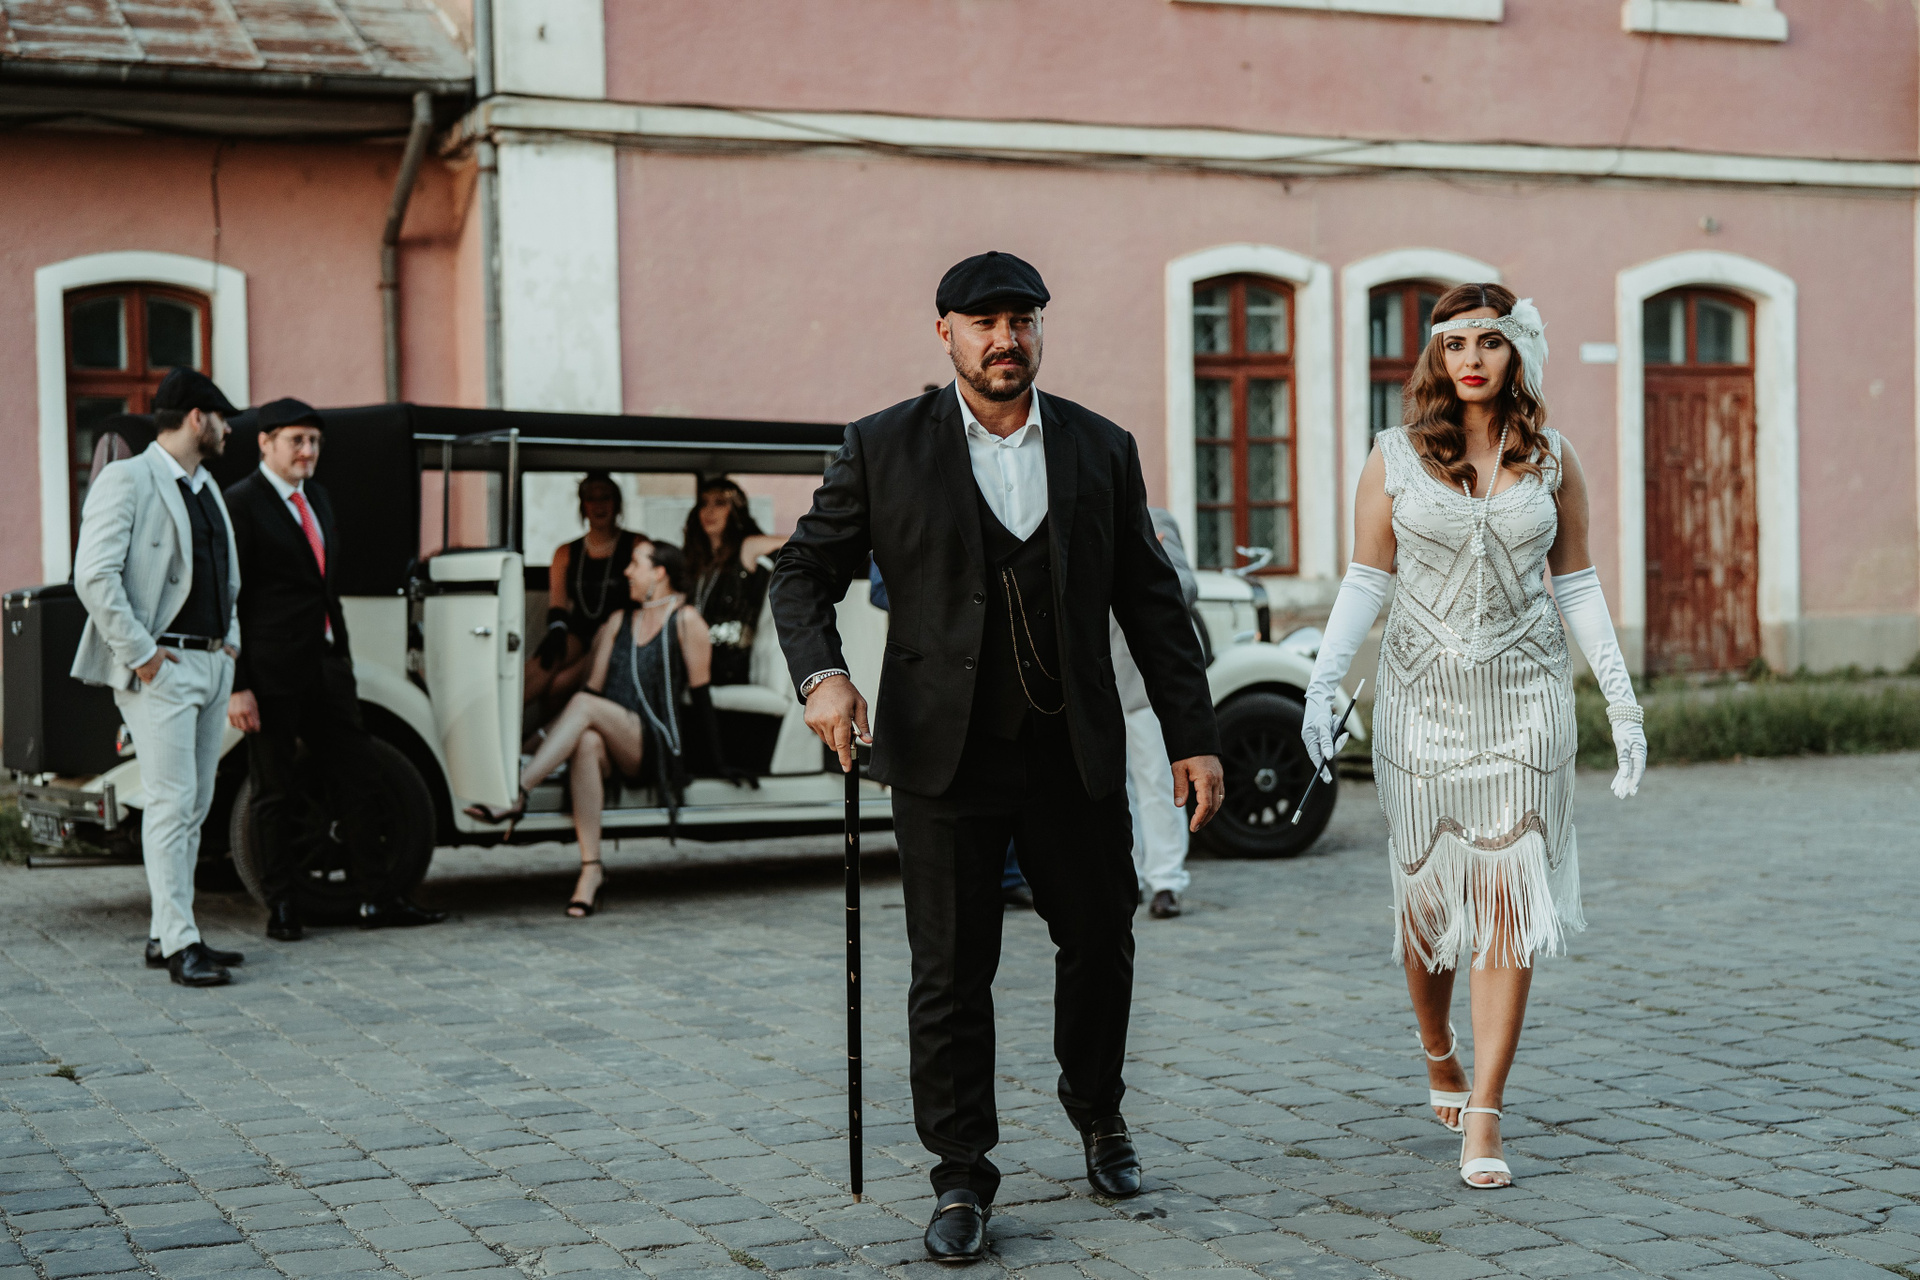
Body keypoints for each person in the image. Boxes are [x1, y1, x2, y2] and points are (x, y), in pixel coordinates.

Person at [771, 251, 1224, 1263]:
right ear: (946, 334)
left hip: (1073, 752)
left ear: (1039, 330)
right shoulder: (884, 445)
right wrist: (824, 676)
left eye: (1021, 320)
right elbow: (800, 570)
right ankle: (961, 1172)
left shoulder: (1101, 447)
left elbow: (1152, 601)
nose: (1004, 339)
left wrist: (1192, 735)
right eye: (983, 323)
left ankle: (1097, 1110)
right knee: (949, 972)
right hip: (944, 758)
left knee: (1101, 941)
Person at [1301, 284, 1646, 1190]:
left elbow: (1578, 586)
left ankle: (1487, 1108)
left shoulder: (1554, 457)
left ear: (1516, 351)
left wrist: (1622, 703)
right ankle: (1436, 1043)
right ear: (1436, 357)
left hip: (1527, 699)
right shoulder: (1394, 455)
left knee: (1508, 895)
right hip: (1421, 699)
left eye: (1489, 342)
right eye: (1454, 344)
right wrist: (1322, 685)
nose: (1471, 359)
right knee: (1427, 906)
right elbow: (1366, 581)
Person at [224, 398, 447, 940]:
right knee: (273, 791)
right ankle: (282, 908)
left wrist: (341, 657)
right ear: (265, 442)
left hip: (327, 667)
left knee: (361, 777)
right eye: (297, 441)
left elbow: (324, 587)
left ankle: (379, 899)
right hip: (271, 674)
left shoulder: (318, 498)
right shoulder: (241, 503)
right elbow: (229, 600)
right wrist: (238, 685)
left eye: (315, 442)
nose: (308, 451)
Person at [70, 368, 247, 988]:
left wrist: (229, 644)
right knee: (171, 803)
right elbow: (94, 575)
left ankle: (167, 930)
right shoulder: (128, 478)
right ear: (198, 419)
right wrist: (142, 656)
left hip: (211, 662)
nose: (229, 430)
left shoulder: (207, 486)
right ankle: (180, 943)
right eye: (222, 419)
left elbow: (226, 577)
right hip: (162, 667)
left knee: (193, 805)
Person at [465, 539, 737, 916]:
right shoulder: (618, 621)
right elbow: (592, 692)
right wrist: (534, 742)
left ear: (659, 572)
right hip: (612, 736)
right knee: (587, 741)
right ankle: (591, 869)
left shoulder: (686, 619)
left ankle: (519, 793)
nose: (627, 572)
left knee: (584, 708)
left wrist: (719, 764)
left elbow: (701, 696)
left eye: (635, 564)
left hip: (656, 741)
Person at [1112, 508, 1200, 920]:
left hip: (1143, 681)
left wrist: (1151, 564)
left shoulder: (1155, 520)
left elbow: (1186, 589)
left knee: (1157, 783)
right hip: (1093, 683)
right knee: (1112, 790)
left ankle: (1166, 881)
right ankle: (1124, 877)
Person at [527, 472, 639, 724]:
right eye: (591, 499)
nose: (599, 505)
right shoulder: (565, 552)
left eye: (605, 497)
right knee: (544, 663)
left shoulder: (635, 544)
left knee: (557, 685)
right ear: (583, 506)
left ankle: (544, 741)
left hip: (616, 635)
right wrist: (557, 631)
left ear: (617, 504)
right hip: (577, 633)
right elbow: (558, 605)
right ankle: (500, 727)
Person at [683, 478, 788, 685]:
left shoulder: (747, 547)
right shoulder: (696, 560)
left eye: (719, 503)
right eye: (704, 503)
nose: (709, 511)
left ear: (735, 510)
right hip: (694, 654)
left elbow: (802, 541)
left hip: (729, 661)